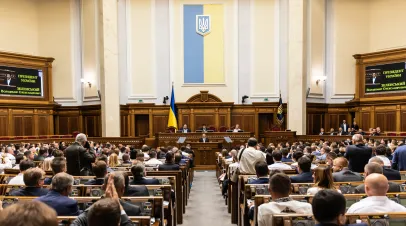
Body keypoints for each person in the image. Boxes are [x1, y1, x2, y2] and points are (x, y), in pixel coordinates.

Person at [72, 173, 141, 226]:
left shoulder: (93, 209)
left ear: (102, 187)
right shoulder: (134, 210)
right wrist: (116, 203)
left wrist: (105, 200)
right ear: (123, 189)